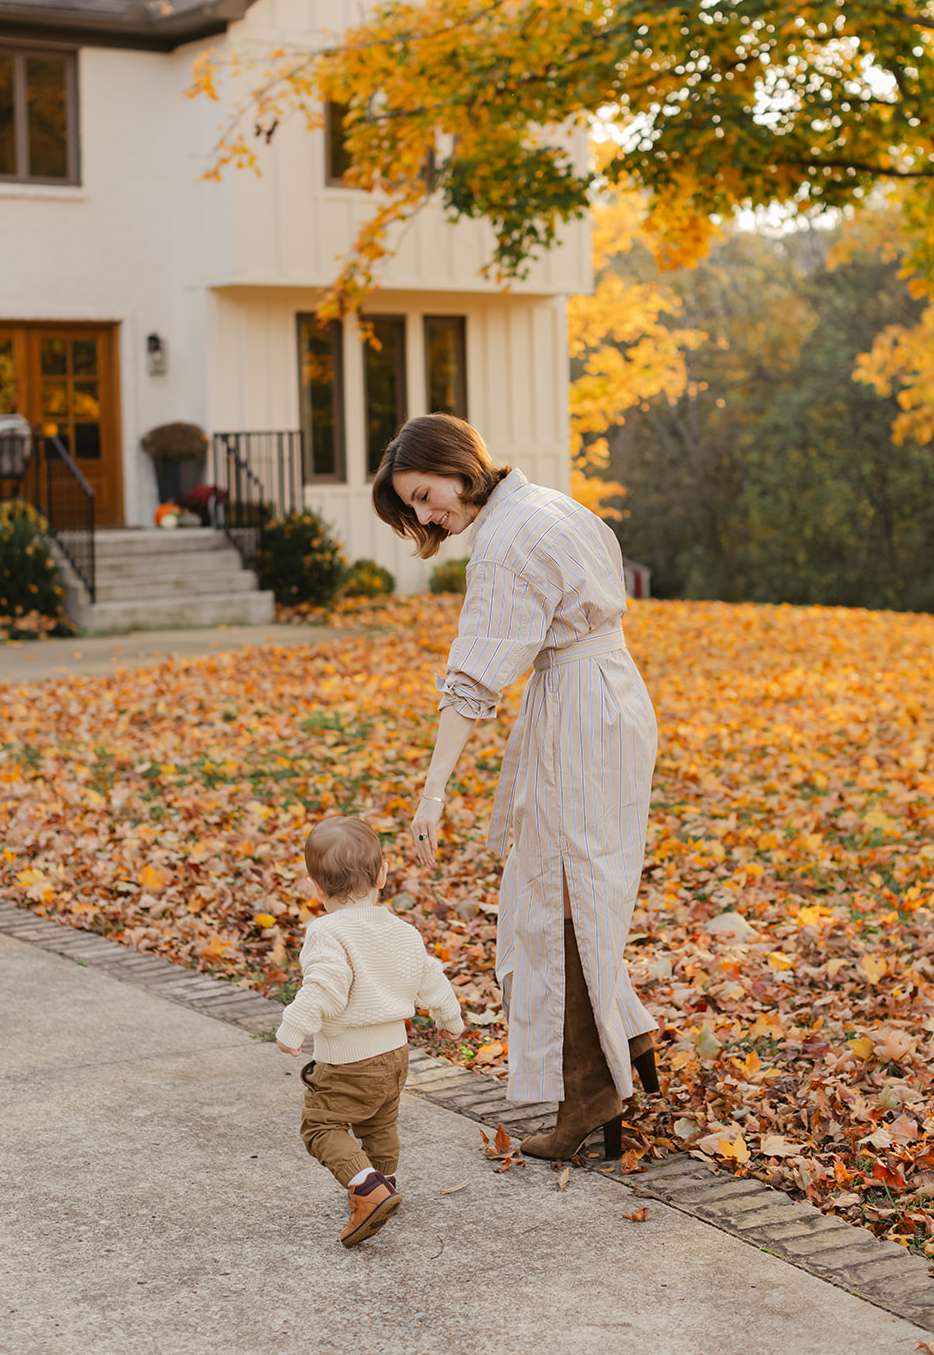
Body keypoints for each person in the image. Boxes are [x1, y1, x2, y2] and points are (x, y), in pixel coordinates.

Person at [372, 415, 659, 1160]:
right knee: (586, 881)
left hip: (580, 708)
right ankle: (627, 1033)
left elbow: (472, 681)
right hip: (613, 694)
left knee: (554, 895)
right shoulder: (549, 504)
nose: (428, 516)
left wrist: (432, 791)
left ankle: (591, 1091)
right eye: (415, 509)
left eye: (427, 495)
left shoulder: (503, 542)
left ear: (460, 467)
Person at [276, 814, 463, 1246]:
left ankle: (366, 1188)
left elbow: (326, 985)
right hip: (395, 1056)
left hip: (348, 1059)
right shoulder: (403, 931)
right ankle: (386, 1184)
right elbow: (430, 977)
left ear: (315, 888)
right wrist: (449, 1017)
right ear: (383, 875)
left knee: (321, 1126)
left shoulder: (326, 931)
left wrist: (294, 1025)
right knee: (381, 1124)